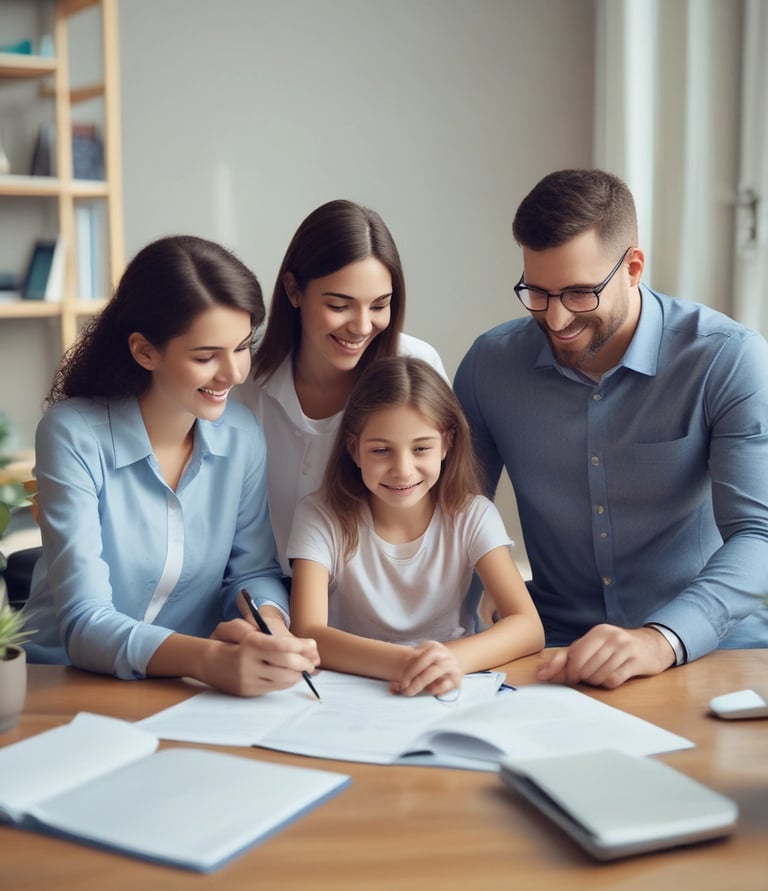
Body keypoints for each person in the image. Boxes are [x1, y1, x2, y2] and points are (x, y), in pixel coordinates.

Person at [454, 168, 768, 689]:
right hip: (555, 653)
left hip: (711, 653)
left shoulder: (727, 359)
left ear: (633, 267)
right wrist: (447, 637)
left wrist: (659, 637)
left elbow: (758, 534)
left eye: (579, 293)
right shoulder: (490, 366)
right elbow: (452, 518)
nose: (555, 320)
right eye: (537, 292)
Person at [22, 235, 319, 696]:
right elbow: (84, 623)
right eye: (206, 357)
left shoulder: (239, 435)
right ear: (145, 351)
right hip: (58, 684)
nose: (234, 374)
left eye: (241, 347)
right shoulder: (73, 434)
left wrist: (271, 629)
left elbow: (250, 573)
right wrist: (210, 660)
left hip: (180, 690)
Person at [288, 356, 544, 697]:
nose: (403, 470)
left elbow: (528, 627)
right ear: (354, 448)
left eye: (421, 448)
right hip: (353, 692)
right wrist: (406, 664)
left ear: (447, 443)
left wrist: (447, 661)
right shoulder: (320, 515)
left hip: (452, 686)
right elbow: (308, 632)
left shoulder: (472, 515)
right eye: (381, 451)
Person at [237, 199, 447, 577]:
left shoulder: (417, 366)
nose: (362, 327)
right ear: (293, 291)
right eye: (340, 305)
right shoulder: (242, 370)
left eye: (380, 305)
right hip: (267, 589)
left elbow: (445, 504)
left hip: (382, 593)